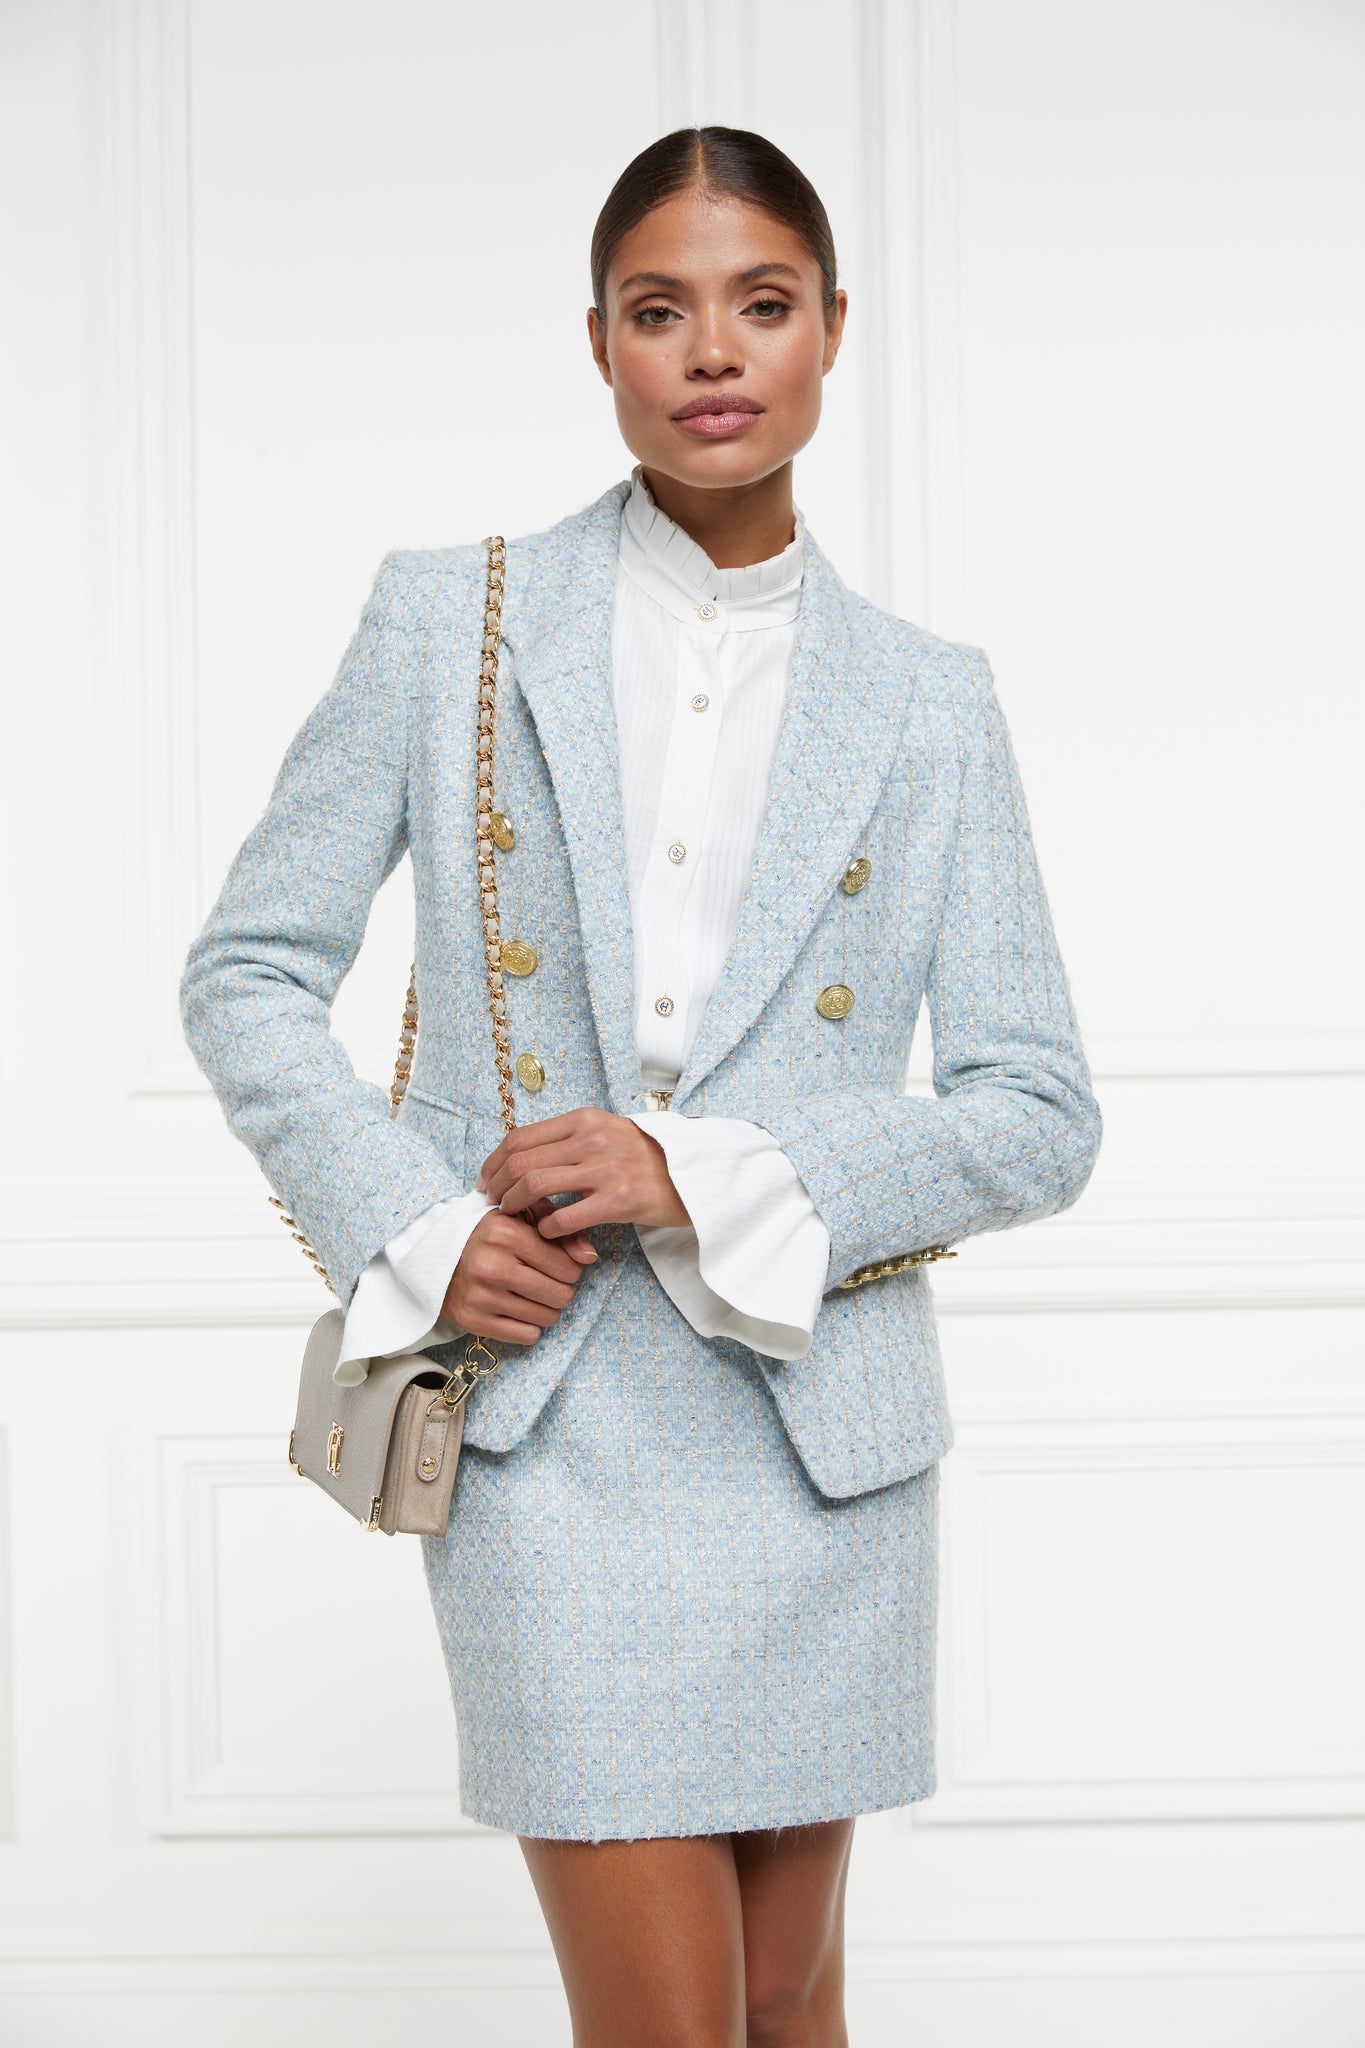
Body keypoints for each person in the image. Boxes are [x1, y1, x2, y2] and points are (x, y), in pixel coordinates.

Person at [181, 125, 1102, 2048]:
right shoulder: (451, 619)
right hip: (550, 1418)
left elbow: (1034, 1108)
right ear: (596, 340)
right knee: (675, 2028)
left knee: (782, 2001)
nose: (712, 351)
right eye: (657, 309)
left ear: (832, 328)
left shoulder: (927, 695)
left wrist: (709, 1170)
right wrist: (414, 1228)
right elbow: (248, 971)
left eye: (760, 304)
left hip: (816, 1440)